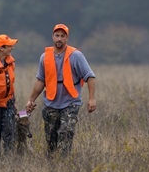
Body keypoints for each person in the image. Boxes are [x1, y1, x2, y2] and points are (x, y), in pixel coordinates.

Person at [26, 23, 96, 159]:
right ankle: (52, 164)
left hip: (71, 102)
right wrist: (31, 100)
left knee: (66, 132)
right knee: (51, 140)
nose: (59, 39)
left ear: (67, 38)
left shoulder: (76, 56)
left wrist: (92, 98)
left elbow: (90, 76)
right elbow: (41, 81)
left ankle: (64, 163)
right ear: (53, 37)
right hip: (51, 103)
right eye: (57, 35)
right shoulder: (44, 57)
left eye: (62, 36)